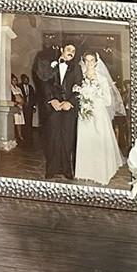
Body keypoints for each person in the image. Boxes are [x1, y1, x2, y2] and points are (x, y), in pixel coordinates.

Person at [73, 51, 125, 185]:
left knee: (99, 140)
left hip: (99, 113)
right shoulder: (80, 77)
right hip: (84, 114)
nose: (89, 63)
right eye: (87, 60)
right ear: (83, 62)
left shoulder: (102, 79)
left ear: (96, 62)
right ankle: (85, 172)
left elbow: (108, 101)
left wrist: (94, 95)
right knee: (85, 140)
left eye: (92, 60)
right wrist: (82, 96)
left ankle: (101, 173)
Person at [36, 41, 80, 180]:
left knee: (67, 139)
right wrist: (52, 100)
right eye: (68, 49)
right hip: (53, 107)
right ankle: (51, 169)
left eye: (73, 50)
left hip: (68, 108)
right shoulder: (50, 64)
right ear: (62, 49)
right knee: (52, 138)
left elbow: (79, 87)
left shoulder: (77, 68)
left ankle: (67, 170)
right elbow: (44, 83)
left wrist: (70, 102)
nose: (71, 52)